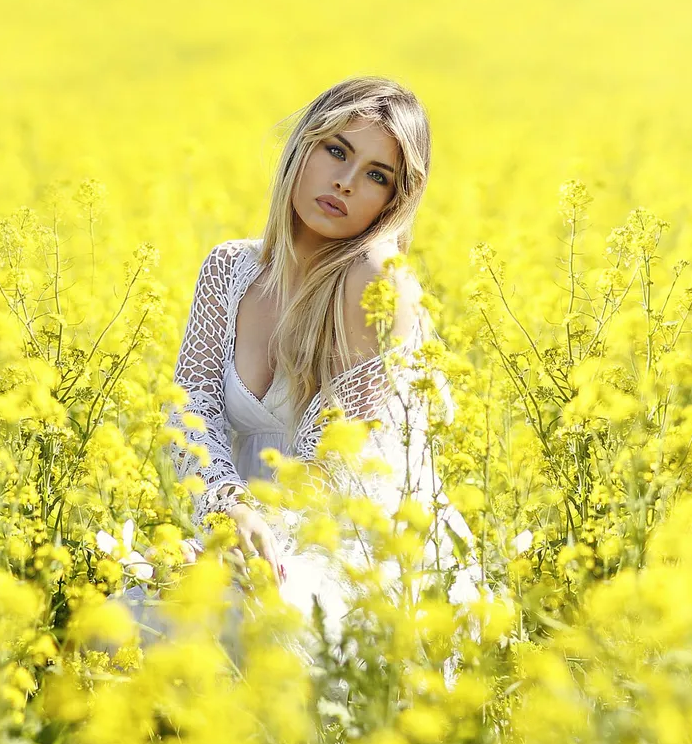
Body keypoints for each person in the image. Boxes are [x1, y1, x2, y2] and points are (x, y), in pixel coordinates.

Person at [149, 75, 475, 660]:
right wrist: (226, 510)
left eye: (378, 176)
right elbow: (189, 415)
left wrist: (247, 546)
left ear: (394, 201)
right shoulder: (230, 269)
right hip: (244, 530)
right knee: (121, 630)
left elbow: (335, 472)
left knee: (256, 642)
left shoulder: (375, 282)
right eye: (337, 151)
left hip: (353, 546)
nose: (346, 183)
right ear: (303, 145)